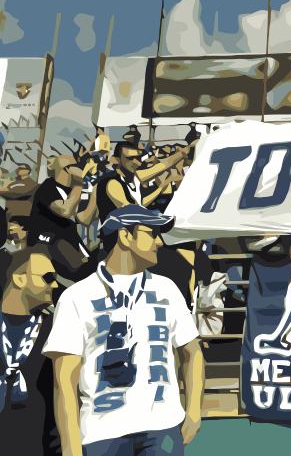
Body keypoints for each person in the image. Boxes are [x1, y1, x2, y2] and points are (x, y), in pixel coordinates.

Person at [43, 205, 204, 456]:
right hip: (101, 434)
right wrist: (71, 448)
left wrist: (193, 411)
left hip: (162, 428)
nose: (159, 242)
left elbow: (192, 351)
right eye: (151, 233)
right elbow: (64, 380)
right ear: (125, 236)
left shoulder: (167, 289)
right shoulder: (76, 297)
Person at [1, 246, 61, 456]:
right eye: (47, 277)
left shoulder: (55, 329)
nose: (54, 284)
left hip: (37, 446)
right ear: (19, 279)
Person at [30, 155, 99, 282]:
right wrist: (79, 183)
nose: (78, 169)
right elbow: (65, 211)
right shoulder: (48, 187)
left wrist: (95, 194)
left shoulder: (74, 191)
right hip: (48, 242)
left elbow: (85, 219)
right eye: (72, 166)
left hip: (71, 240)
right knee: (81, 269)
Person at [94, 141, 195, 223]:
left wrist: (160, 187)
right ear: (116, 160)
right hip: (117, 236)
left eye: (138, 157)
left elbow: (140, 204)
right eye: (130, 158)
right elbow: (128, 211)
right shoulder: (112, 181)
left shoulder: (135, 177)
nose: (136, 162)